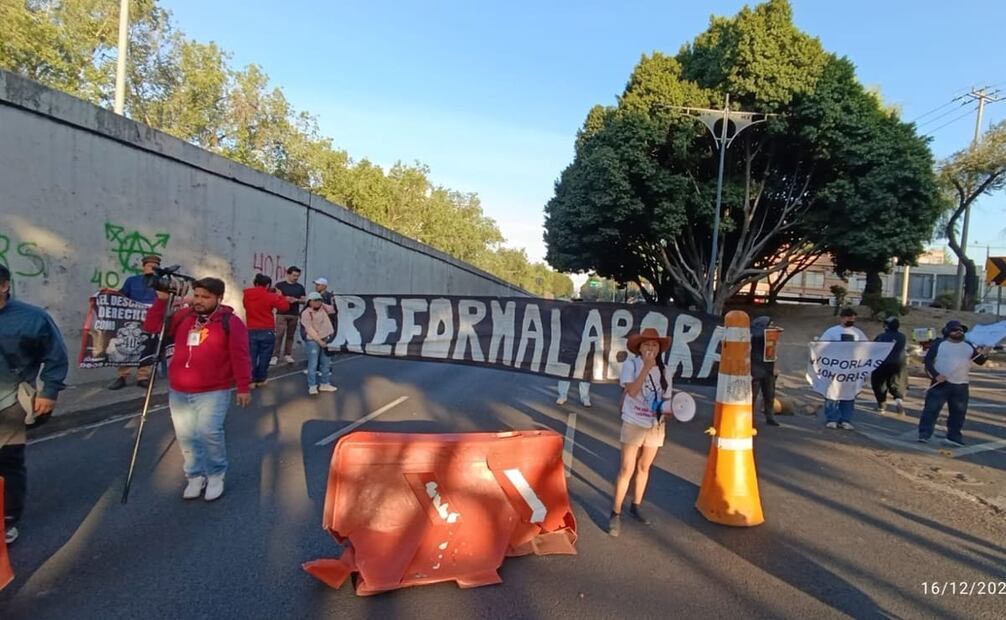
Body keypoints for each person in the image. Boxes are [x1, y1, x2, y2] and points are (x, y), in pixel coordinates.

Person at [144, 277, 251, 501]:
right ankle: (194, 476)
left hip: (214, 390)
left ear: (219, 298)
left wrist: (243, 386)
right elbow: (153, 327)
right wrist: (162, 301)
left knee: (209, 433)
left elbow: (240, 356)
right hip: (179, 390)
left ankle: (215, 475)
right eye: (197, 295)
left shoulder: (230, 322)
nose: (199, 301)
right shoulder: (184, 316)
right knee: (186, 436)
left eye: (205, 297)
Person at [0, 265, 68, 544]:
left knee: (7, 463)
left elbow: (55, 356)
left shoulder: (33, 318)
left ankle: (7, 519)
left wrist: (48, 392)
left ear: (4, 286)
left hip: (9, 402)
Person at [609, 327, 673, 537]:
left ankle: (636, 505)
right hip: (633, 422)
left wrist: (672, 410)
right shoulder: (631, 365)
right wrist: (646, 368)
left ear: (659, 349)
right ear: (639, 348)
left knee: (644, 467)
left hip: (655, 425)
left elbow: (666, 398)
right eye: (646, 344)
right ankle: (615, 514)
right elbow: (633, 391)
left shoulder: (665, 370)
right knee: (627, 469)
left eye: (654, 345)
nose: (650, 348)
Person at [917, 320, 990, 447]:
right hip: (940, 383)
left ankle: (954, 436)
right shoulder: (939, 344)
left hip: (961, 385)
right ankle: (924, 434)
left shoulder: (968, 346)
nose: (959, 332)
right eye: (955, 329)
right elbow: (928, 362)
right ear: (947, 331)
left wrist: (986, 352)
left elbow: (980, 361)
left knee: (958, 413)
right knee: (931, 410)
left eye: (961, 330)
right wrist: (936, 375)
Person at [108, 254, 160, 390]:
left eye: (155, 266)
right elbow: (122, 296)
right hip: (131, 320)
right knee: (127, 345)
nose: (153, 268)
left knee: (147, 346)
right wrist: (110, 294)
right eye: (150, 265)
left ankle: (143, 377)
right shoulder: (132, 281)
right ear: (144, 267)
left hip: (150, 319)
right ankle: (122, 376)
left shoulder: (160, 283)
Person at [818, 307, 867, 430]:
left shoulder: (858, 333)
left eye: (853, 317)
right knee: (832, 393)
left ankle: (845, 419)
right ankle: (832, 418)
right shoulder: (832, 332)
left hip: (851, 370)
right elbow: (821, 347)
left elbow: (866, 348)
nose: (851, 319)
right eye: (849, 317)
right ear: (842, 318)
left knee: (849, 394)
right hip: (834, 369)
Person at [242, 274, 290, 388]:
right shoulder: (270, 296)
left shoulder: (247, 295)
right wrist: (280, 296)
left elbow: (245, 306)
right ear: (268, 285)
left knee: (251, 356)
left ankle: (251, 380)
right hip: (266, 329)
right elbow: (284, 307)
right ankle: (261, 378)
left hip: (251, 328)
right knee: (265, 356)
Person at [300, 292, 338, 395]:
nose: (318, 302)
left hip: (326, 338)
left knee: (326, 363)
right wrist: (319, 341)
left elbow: (333, 310)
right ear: (309, 302)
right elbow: (309, 329)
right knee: (313, 363)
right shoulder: (306, 313)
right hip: (313, 340)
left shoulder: (324, 309)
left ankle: (325, 383)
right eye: (315, 300)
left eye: (319, 300)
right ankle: (312, 386)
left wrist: (327, 303)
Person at [871, 316, 907, 415]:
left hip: (881, 364)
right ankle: (898, 401)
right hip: (898, 364)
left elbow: (873, 348)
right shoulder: (902, 337)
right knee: (896, 384)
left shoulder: (881, 336)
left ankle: (882, 405)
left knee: (879, 385)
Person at [271, 266, 305, 366]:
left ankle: (288, 354)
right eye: (294, 275)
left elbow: (304, 299)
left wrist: (296, 300)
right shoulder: (280, 285)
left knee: (290, 335)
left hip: (294, 313)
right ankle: (275, 355)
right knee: (279, 334)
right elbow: (274, 297)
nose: (296, 278)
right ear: (288, 274)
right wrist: (285, 298)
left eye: (297, 276)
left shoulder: (300, 287)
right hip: (282, 313)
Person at [750, 315, 781, 427]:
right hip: (756, 369)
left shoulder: (771, 336)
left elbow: (773, 354)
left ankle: (770, 416)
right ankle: (749, 418)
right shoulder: (754, 336)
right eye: (770, 324)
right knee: (752, 396)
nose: (772, 326)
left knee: (769, 395)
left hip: (768, 369)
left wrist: (775, 368)